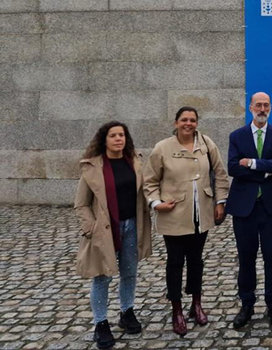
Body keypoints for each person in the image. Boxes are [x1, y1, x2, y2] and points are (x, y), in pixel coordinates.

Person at [143, 106, 229, 336]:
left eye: (192, 120)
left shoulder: (207, 144)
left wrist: (220, 202)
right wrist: (155, 203)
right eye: (184, 120)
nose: (188, 124)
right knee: (175, 262)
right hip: (174, 215)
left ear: (197, 123)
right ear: (176, 123)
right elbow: (149, 181)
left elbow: (220, 174)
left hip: (202, 214)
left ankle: (196, 303)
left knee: (196, 260)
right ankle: (177, 308)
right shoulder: (162, 148)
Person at [74, 121, 152, 350]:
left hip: (132, 226)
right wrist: (90, 228)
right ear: (104, 139)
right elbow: (81, 204)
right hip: (105, 229)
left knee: (129, 273)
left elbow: (145, 191)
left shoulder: (134, 162)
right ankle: (100, 323)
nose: (119, 139)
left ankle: (127, 311)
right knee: (102, 276)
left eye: (122, 135)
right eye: (113, 135)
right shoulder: (92, 167)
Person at [227, 92, 272, 328]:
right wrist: (268, 169)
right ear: (250, 107)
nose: (262, 109)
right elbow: (233, 167)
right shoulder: (237, 136)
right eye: (258, 105)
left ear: (270, 108)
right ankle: (247, 304)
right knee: (246, 258)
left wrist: (253, 164)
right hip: (245, 208)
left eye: (266, 105)